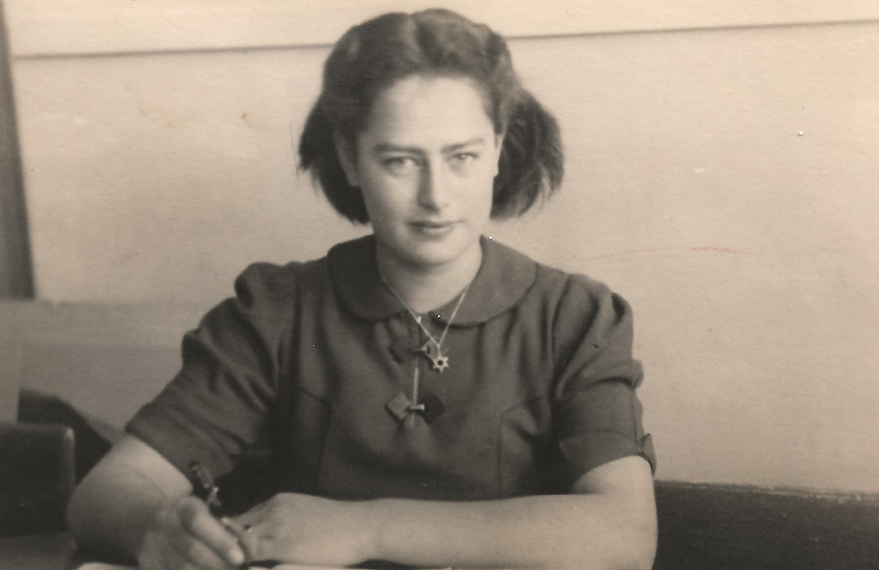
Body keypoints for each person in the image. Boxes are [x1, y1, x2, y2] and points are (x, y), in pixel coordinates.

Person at [67, 8, 656, 570]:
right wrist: (159, 532)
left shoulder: (575, 317)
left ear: (499, 149)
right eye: (401, 161)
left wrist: (365, 527)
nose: (436, 196)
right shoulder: (275, 311)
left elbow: (626, 535)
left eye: (462, 157)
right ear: (349, 157)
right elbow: (109, 490)